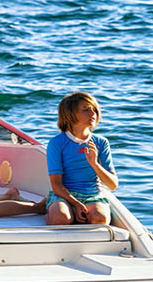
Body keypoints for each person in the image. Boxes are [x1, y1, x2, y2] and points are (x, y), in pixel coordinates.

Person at [45, 91, 118, 226]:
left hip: (92, 196)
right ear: (70, 114)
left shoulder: (101, 142)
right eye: (85, 109)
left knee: (100, 220)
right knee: (61, 219)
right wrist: (76, 204)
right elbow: (56, 184)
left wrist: (94, 164)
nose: (92, 113)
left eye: (94, 109)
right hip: (64, 195)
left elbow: (112, 185)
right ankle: (47, 209)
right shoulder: (57, 143)